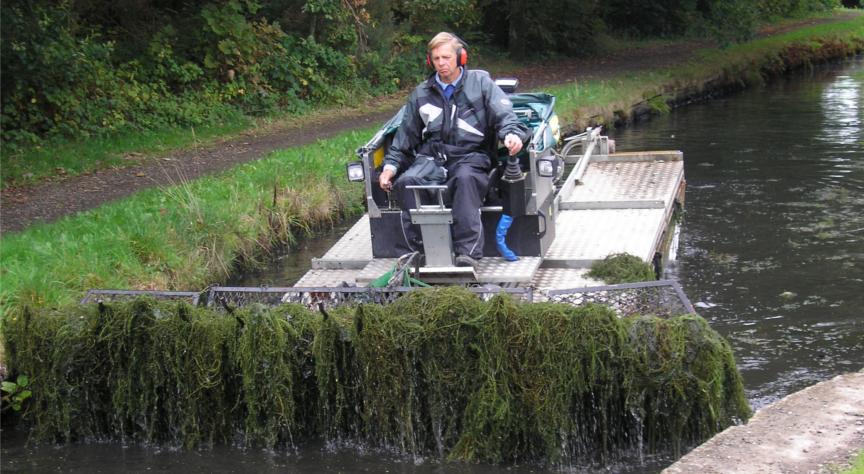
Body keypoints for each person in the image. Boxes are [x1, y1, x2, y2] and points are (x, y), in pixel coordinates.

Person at [378, 32, 527, 268]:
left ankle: (467, 253)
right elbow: (405, 136)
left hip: (471, 156)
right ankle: (413, 253)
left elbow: (506, 117)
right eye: (436, 58)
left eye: (446, 57)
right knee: (406, 181)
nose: (441, 63)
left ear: (461, 57)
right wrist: (390, 167)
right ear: (430, 61)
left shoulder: (482, 85)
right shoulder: (421, 93)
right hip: (432, 157)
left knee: (466, 179)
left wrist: (511, 135)